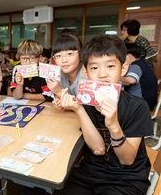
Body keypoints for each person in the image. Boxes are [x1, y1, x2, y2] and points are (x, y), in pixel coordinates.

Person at [22, 35, 154, 195]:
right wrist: (78, 109)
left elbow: (127, 160)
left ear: (124, 68)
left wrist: (113, 125)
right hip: (90, 172)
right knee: (36, 189)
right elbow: (98, 149)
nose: (102, 74)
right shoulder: (86, 103)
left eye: (110, 66)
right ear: (85, 72)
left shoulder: (137, 106)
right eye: (94, 68)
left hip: (125, 179)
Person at [47, 33, 85, 100]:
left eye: (69, 54)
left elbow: (86, 107)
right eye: (58, 56)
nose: (64, 60)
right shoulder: (59, 75)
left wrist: (59, 92)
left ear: (81, 55)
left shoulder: (86, 75)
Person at [121, 42, 158, 111]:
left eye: (122, 56)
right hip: (148, 102)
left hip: (142, 103)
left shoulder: (135, 66)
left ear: (129, 56)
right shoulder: (142, 63)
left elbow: (131, 80)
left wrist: (114, 77)